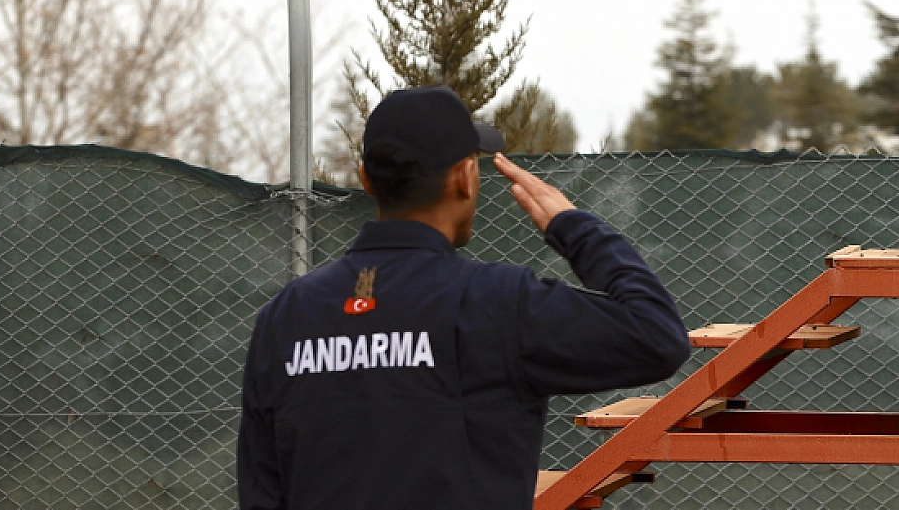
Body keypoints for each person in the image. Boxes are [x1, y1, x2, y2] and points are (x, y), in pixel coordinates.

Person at [236, 85, 690, 510]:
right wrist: (575, 228)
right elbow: (657, 336)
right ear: (464, 177)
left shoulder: (284, 317)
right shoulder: (495, 302)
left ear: (366, 180)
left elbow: (261, 491)